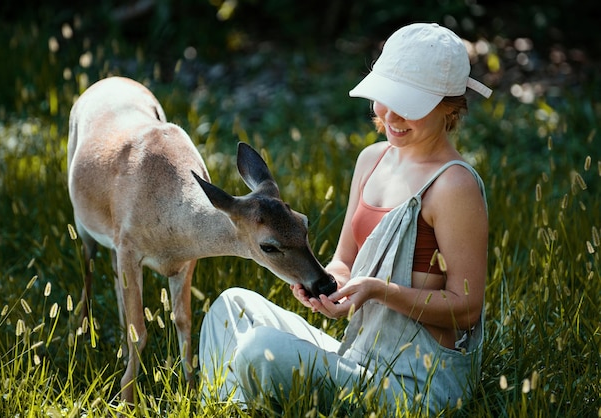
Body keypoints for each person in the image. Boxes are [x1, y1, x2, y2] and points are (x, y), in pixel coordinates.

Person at [199, 22, 492, 414]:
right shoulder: (371, 160)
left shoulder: (454, 185)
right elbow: (344, 262)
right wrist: (326, 289)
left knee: (260, 350)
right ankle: (230, 408)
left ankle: (240, 402)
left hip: (416, 386)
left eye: (409, 105)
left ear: (449, 107)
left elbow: (467, 307)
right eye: (385, 98)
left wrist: (378, 291)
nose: (390, 115)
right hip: (359, 358)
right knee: (230, 307)